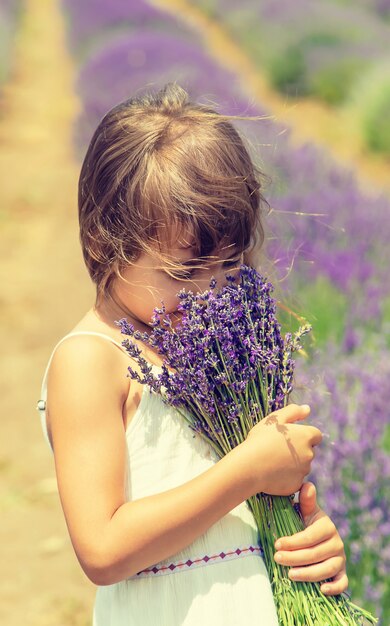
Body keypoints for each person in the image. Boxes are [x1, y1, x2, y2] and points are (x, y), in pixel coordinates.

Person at [38, 82, 348, 626]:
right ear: (102, 244)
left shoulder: (219, 352)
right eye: (182, 273)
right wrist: (247, 470)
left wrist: (311, 538)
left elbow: (249, 515)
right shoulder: (91, 361)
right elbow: (103, 549)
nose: (208, 293)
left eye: (227, 268)